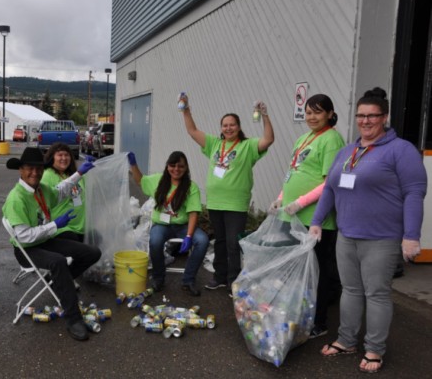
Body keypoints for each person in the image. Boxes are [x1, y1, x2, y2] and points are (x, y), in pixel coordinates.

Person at [309, 87, 427, 374]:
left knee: (376, 294)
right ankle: (347, 340)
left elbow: (414, 192)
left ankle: (374, 348)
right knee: (350, 290)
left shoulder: (401, 150)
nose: (366, 121)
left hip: (382, 238)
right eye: (361, 116)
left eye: (372, 116)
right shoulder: (347, 151)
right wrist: (316, 221)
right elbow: (331, 189)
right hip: (347, 235)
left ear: (383, 117)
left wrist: (411, 235)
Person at [2, 147, 101, 341]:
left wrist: (79, 173)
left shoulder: (41, 189)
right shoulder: (17, 198)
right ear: (21, 170)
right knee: (58, 262)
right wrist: (55, 225)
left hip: (44, 241)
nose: (35, 173)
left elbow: (60, 191)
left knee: (92, 252)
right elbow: (24, 237)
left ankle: (60, 284)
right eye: (30, 168)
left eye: (39, 168)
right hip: (27, 249)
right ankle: (73, 319)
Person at [268, 94, 345, 339]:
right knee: (298, 269)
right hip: (293, 216)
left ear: (330, 114)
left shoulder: (332, 139)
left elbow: (329, 182)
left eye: (318, 112)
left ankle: (319, 321)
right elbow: (293, 172)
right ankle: (300, 310)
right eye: (308, 112)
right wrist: (282, 197)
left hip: (316, 219)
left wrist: (300, 202)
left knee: (318, 272)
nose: (312, 117)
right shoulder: (304, 138)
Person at [180, 94, 274, 291]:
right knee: (220, 242)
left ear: (239, 127)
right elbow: (192, 131)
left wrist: (264, 116)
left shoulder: (247, 146)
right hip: (215, 202)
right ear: (221, 128)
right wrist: (186, 108)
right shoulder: (215, 144)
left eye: (232, 125)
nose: (228, 128)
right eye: (225, 125)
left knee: (233, 243)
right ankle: (219, 276)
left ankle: (233, 280)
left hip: (236, 204)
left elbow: (268, 139)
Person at [128, 151, 209, 296]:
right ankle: (159, 278)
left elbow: (193, 213)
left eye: (180, 166)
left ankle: (188, 280)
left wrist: (189, 236)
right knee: (155, 241)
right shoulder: (158, 180)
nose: (176, 169)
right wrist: (133, 164)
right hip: (162, 225)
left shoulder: (191, 187)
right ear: (167, 166)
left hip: (183, 226)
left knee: (202, 241)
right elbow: (140, 181)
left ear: (186, 169)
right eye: (172, 165)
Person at [41, 143, 92, 242]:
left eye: (66, 155)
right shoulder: (47, 175)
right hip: (62, 229)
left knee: (98, 240)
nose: (64, 158)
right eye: (60, 155)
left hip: (81, 227)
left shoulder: (74, 174)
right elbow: (48, 197)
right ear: (52, 158)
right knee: (84, 251)